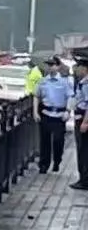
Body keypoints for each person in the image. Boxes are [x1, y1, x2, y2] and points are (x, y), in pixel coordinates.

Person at [35, 57, 72, 174]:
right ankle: (44, 164)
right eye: (49, 65)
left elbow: (70, 97)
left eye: (53, 65)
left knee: (58, 140)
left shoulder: (65, 82)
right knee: (44, 141)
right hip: (46, 114)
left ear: (58, 66)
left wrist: (68, 111)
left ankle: (57, 160)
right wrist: (35, 112)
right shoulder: (42, 81)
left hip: (60, 116)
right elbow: (36, 96)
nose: (50, 67)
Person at [72, 59, 88, 190]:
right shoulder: (81, 83)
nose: (76, 69)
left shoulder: (86, 84)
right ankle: (83, 178)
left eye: (78, 67)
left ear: (85, 69)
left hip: (83, 119)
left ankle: (85, 180)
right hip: (80, 118)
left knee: (84, 150)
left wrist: (85, 122)